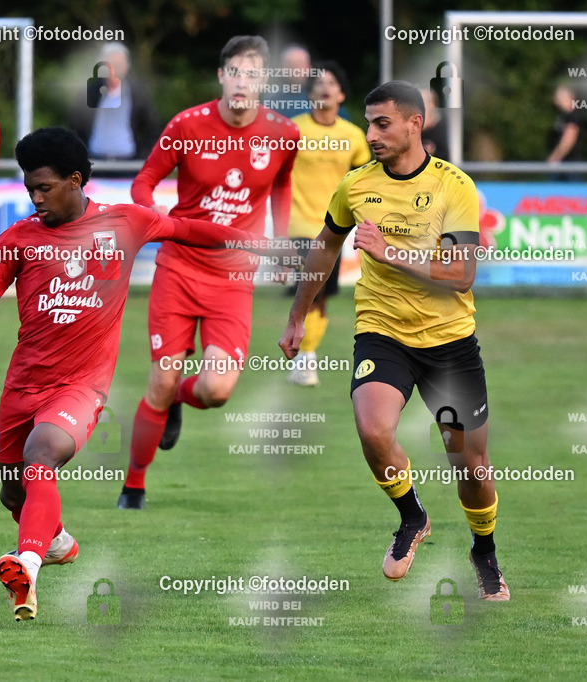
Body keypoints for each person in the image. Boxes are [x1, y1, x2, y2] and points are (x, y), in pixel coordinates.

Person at [0, 127, 267, 621]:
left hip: (80, 385)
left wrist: (269, 245)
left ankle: (26, 563)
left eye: (44, 187)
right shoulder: (18, 238)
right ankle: (55, 542)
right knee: (13, 490)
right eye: (29, 187)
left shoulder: (126, 223)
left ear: (75, 181)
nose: (34, 197)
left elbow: (189, 230)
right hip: (21, 386)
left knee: (41, 456)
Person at [278, 81, 509, 601]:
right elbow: (325, 247)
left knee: (470, 463)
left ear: (414, 124)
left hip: (449, 343)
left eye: (382, 124)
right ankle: (413, 517)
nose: (371, 134)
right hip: (382, 332)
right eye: (368, 124)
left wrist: (390, 254)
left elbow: (461, 273)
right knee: (372, 428)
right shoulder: (356, 185)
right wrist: (297, 315)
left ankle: (484, 551)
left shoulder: (455, 187)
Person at [117, 35, 299, 510]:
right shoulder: (187, 125)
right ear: (222, 76)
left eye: (254, 73)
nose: (243, 81)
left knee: (216, 389)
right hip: (179, 266)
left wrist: (280, 245)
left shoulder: (283, 133)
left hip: (234, 277)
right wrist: (154, 216)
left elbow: (282, 185)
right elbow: (144, 182)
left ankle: (180, 397)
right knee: (158, 379)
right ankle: (134, 485)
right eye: (236, 71)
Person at [285, 61, 370, 386]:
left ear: (341, 94)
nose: (324, 87)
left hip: (333, 228)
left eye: (331, 82)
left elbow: (366, 179)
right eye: (318, 82)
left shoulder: (353, 136)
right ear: (309, 93)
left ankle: (304, 353)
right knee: (310, 290)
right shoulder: (292, 130)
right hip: (298, 225)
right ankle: (304, 360)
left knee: (318, 297)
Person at [70, 42, 159, 160]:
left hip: (128, 165)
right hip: (95, 164)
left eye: (118, 65)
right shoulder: (89, 93)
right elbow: (75, 128)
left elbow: (153, 129)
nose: (114, 70)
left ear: (126, 67)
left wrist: (143, 157)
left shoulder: (138, 95)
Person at [546, 84, 581, 181]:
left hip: (568, 164)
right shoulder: (563, 116)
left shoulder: (571, 116)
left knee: (569, 194)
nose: (555, 98)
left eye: (558, 95)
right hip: (563, 163)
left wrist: (555, 157)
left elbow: (569, 139)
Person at [420, 88, 449, 160]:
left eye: (423, 101)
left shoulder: (441, 127)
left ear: (432, 104)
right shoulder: (412, 126)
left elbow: (445, 155)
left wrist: (433, 151)